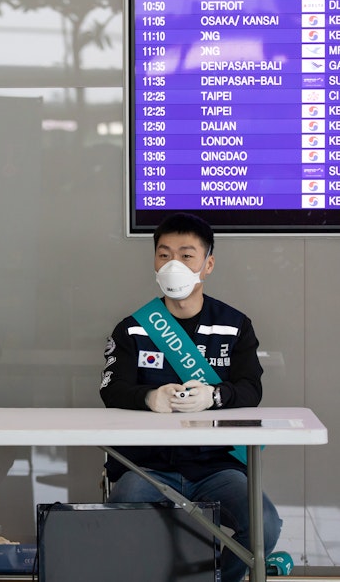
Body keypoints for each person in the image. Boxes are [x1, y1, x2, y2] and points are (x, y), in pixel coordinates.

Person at [99, 212, 282, 582]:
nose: (174, 265)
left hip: (215, 464)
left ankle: (213, 578)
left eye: (186, 255)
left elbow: (252, 388)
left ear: (207, 264)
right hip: (146, 465)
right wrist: (149, 397)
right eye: (164, 255)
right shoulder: (133, 327)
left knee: (265, 527)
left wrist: (215, 395)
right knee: (115, 523)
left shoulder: (234, 325)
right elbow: (110, 388)